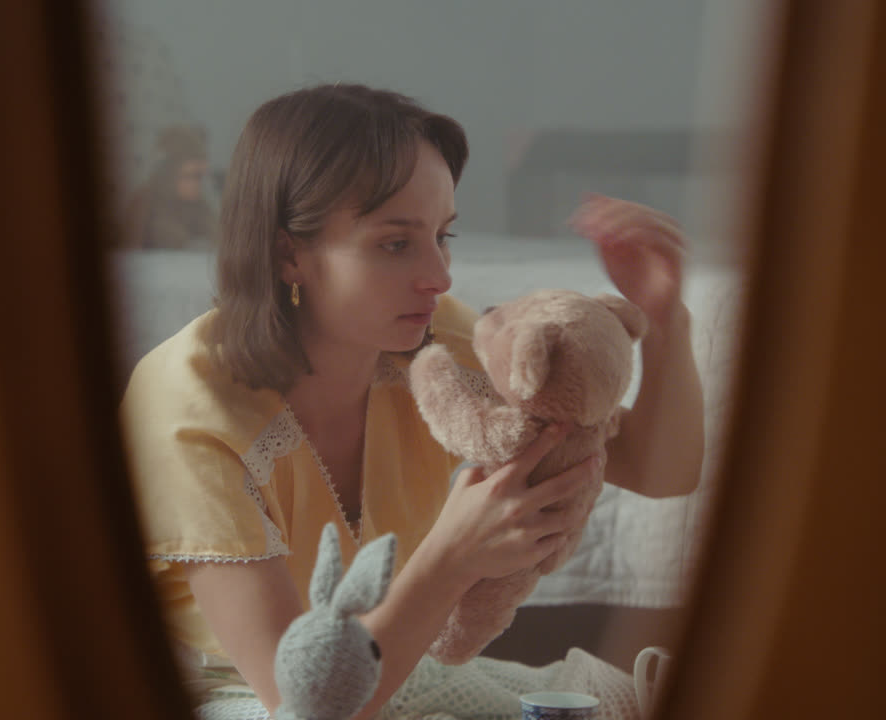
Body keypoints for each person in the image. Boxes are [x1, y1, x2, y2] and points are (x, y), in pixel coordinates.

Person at [120, 84, 705, 719]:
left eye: (443, 236)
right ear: (289, 253)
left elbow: (659, 469)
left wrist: (665, 321)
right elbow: (306, 704)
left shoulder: (435, 348)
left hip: (383, 665)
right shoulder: (188, 410)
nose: (439, 275)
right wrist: (454, 558)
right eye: (396, 244)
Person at [123, 125, 220, 250]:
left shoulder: (200, 206)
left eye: (201, 176)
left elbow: (219, 240)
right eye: (193, 175)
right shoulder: (143, 206)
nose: (198, 183)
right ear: (169, 174)